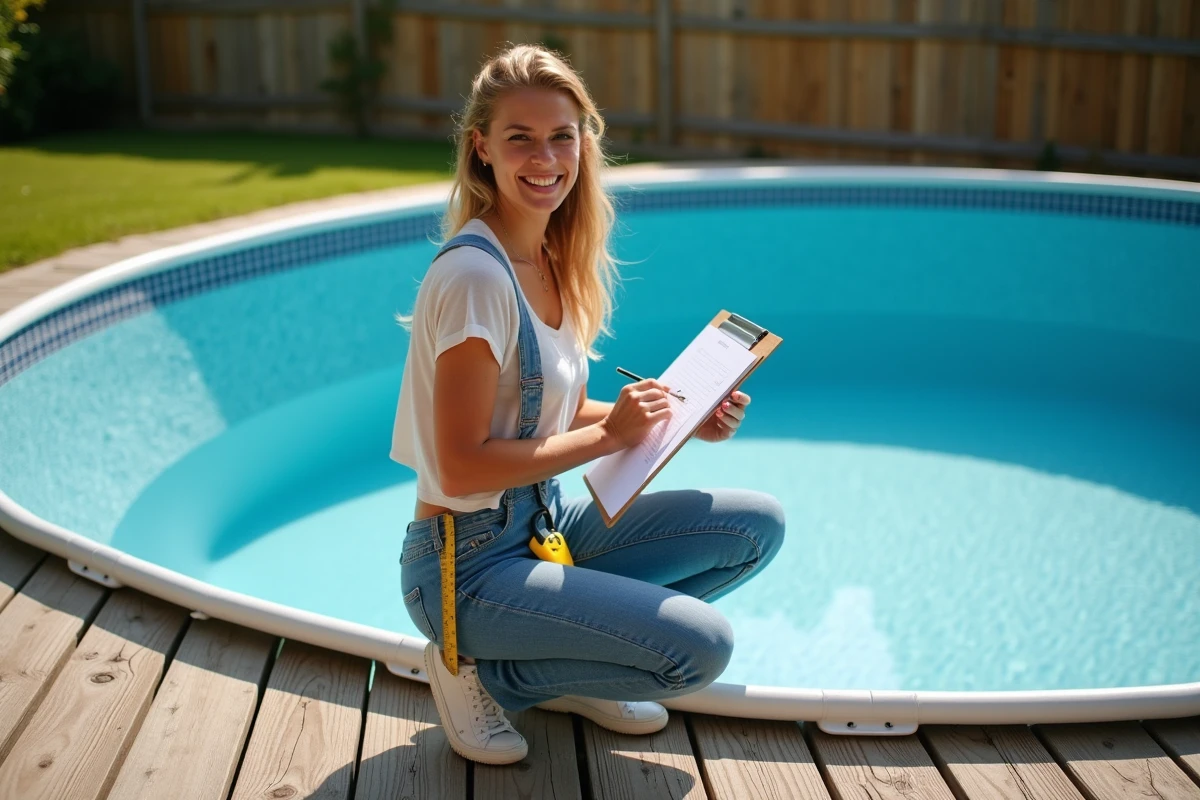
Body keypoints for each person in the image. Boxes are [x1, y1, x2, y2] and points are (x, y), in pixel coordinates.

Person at [391, 44, 785, 765]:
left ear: (584, 142)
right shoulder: (477, 277)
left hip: (541, 528)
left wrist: (680, 417)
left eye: (561, 136)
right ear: (481, 149)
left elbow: (552, 411)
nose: (545, 157)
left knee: (754, 527)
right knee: (699, 651)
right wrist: (612, 440)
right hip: (466, 569)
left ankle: (566, 656)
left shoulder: (549, 256)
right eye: (520, 138)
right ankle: (483, 670)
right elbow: (461, 461)